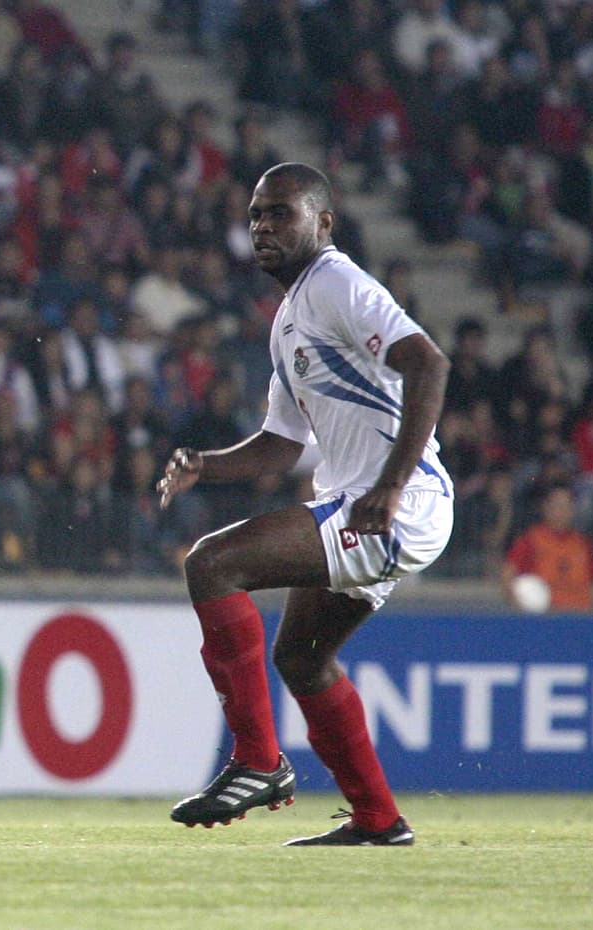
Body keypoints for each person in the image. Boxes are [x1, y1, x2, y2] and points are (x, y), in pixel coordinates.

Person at [157, 163, 452, 846]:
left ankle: (258, 761)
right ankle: (379, 819)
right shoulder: (290, 318)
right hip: (372, 503)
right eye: (256, 214)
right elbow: (279, 446)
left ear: (323, 223)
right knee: (302, 658)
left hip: (394, 506)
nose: (263, 226)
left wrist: (391, 483)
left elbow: (428, 362)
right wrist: (208, 464)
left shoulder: (336, 282)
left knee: (212, 565)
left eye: (280, 213)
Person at [501, 482, 593, 612]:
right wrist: (520, 606)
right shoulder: (530, 540)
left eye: (567, 506)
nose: (562, 511)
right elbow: (508, 575)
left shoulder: (584, 544)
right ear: (545, 507)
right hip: (546, 619)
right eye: (557, 506)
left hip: (580, 617)